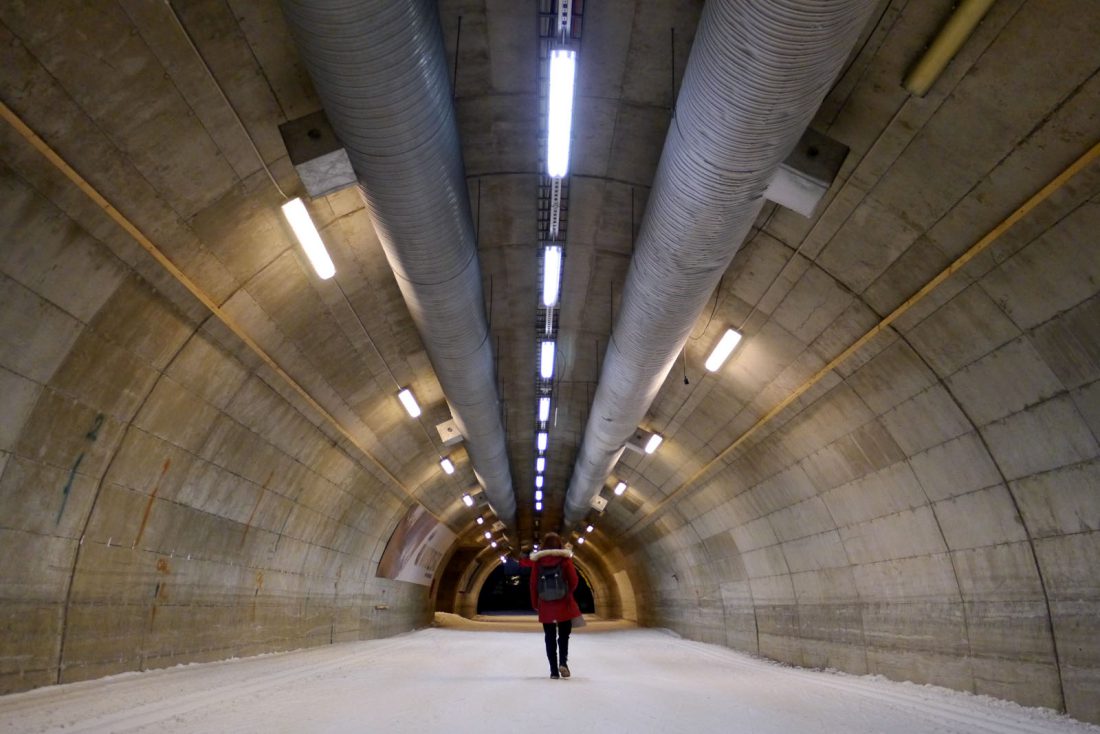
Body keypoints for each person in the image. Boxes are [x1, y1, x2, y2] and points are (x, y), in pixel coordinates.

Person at [529, 532, 581, 679]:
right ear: (560, 544)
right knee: (564, 635)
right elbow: (574, 580)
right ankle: (563, 663)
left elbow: (533, 584)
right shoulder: (565, 560)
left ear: (543, 545)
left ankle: (553, 671)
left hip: (546, 605)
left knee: (549, 637)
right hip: (564, 603)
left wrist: (535, 603)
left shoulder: (538, 562)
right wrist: (567, 592)